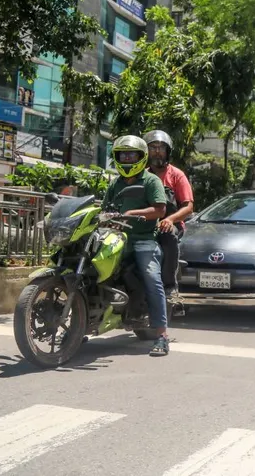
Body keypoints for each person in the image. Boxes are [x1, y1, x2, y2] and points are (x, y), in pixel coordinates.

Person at [102, 135, 171, 356]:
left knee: (151, 277)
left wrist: (132, 213)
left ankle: (161, 335)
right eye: (123, 155)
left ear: (141, 157)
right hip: (116, 238)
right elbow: (105, 209)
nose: (127, 159)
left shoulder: (151, 181)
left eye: (131, 155)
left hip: (143, 239)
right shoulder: (116, 183)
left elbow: (160, 210)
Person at [143, 130, 194, 318]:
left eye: (161, 148)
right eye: (153, 148)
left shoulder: (177, 175)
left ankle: (170, 287)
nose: (157, 151)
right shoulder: (141, 175)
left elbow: (188, 207)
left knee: (168, 233)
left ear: (168, 151)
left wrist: (170, 219)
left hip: (169, 224)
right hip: (144, 224)